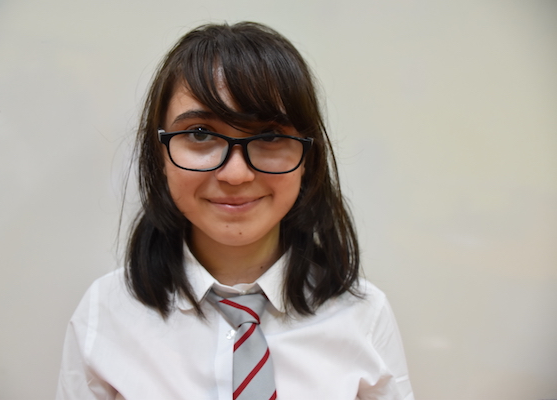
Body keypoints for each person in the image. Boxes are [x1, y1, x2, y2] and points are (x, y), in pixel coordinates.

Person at [56, 22, 414, 400]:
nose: (236, 174)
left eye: (270, 136)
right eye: (200, 134)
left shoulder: (364, 315)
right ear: (159, 154)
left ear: (308, 157)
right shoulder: (106, 312)